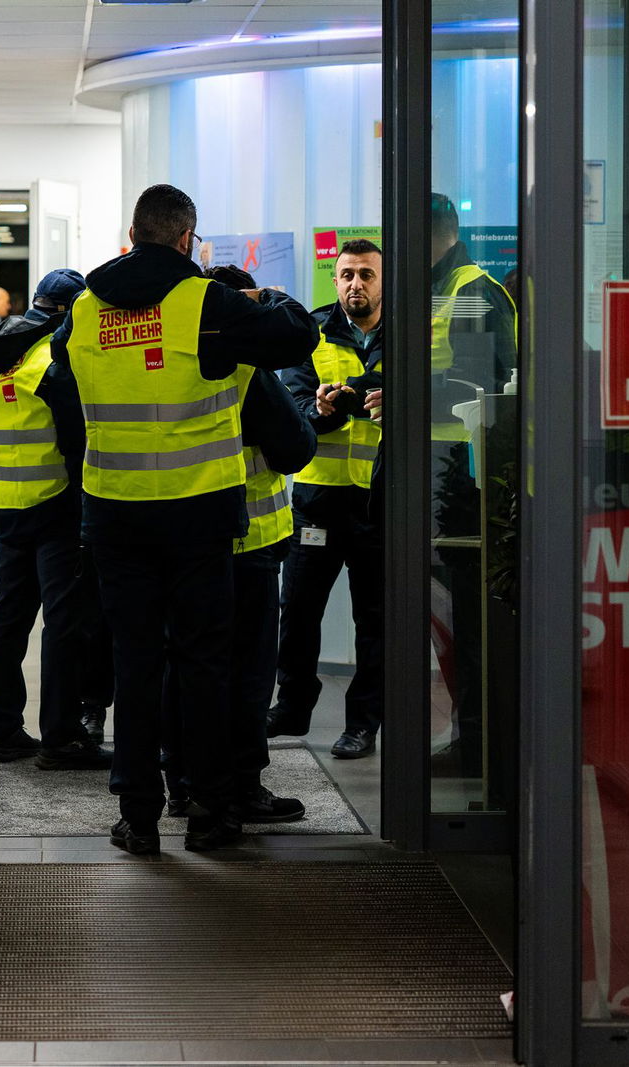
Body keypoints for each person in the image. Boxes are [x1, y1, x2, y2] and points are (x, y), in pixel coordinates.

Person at [50, 184, 318, 855]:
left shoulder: (83, 310)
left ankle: (138, 817)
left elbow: (61, 366)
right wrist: (261, 300)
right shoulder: (205, 305)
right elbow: (299, 334)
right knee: (203, 664)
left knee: (136, 665)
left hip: (112, 514)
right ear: (184, 237)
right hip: (197, 515)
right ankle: (210, 813)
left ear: (131, 232)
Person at [160, 264, 315, 824]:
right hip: (249, 540)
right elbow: (295, 448)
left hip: (181, 534)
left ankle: (180, 782)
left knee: (186, 664)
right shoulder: (248, 369)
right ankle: (243, 786)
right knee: (247, 671)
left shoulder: (171, 361)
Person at [0, 269, 114, 770]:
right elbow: (79, 445)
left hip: (8, 508)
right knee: (64, 624)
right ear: (70, 310)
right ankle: (62, 736)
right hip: (56, 506)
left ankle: (3, 730)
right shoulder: (54, 360)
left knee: (8, 619)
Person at [269, 238, 386, 759]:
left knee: (375, 620)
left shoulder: (409, 331)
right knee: (297, 612)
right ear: (334, 280)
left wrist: (355, 393)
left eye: (365, 274)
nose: (355, 283)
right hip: (318, 498)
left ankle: (363, 723)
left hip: (381, 500)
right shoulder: (311, 332)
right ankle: (291, 708)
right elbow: (294, 408)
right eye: (346, 275)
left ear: (383, 281)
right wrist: (331, 408)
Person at [428, 193, 517, 775]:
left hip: (460, 474)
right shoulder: (436, 286)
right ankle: (470, 736)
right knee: (448, 616)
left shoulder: (468, 291)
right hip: (435, 470)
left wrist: (406, 394)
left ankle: (478, 742)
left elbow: (476, 383)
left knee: (468, 618)